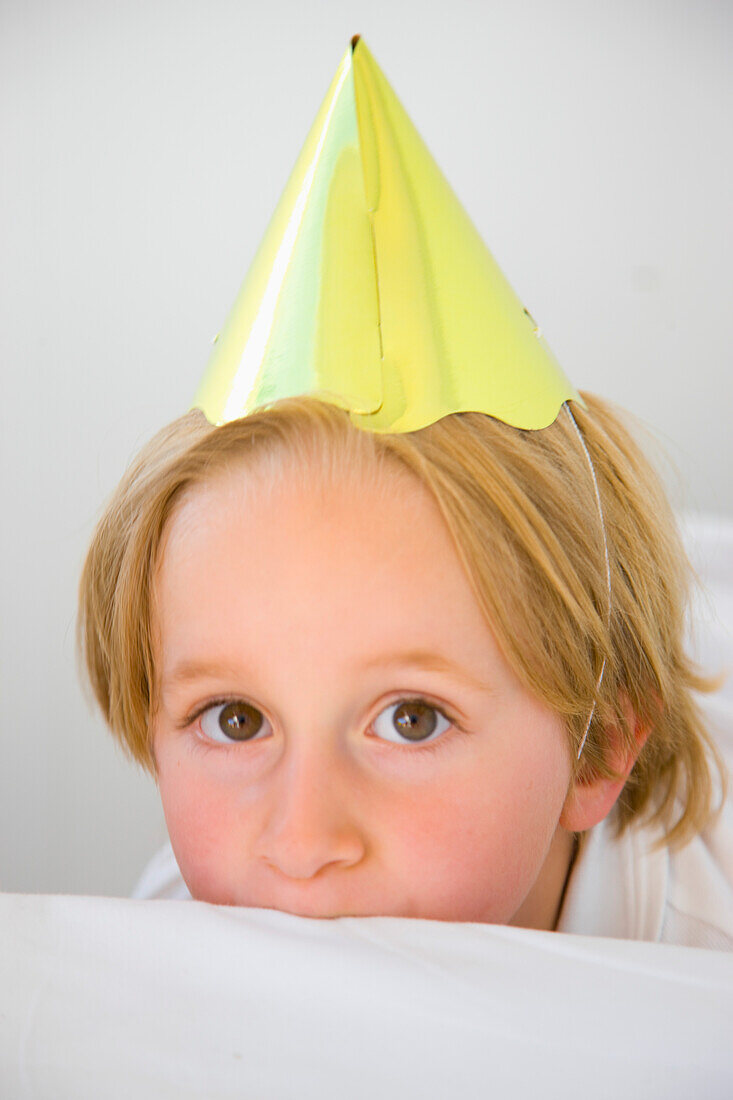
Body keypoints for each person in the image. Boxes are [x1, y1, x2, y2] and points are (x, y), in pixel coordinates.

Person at [78, 38, 731, 946]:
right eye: (236, 719)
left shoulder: (705, 969)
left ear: (600, 749)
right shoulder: (171, 945)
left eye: (411, 719)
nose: (301, 845)